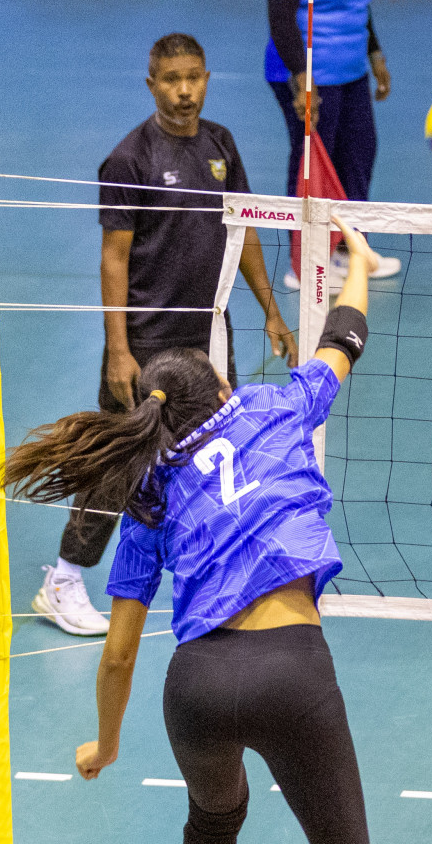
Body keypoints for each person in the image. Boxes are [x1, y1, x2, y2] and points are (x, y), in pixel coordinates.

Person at [4, 223, 398, 844]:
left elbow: (117, 656)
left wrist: (107, 743)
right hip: (292, 669)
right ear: (221, 389)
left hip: (197, 687)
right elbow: (343, 337)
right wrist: (354, 262)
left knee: (216, 808)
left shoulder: (149, 488)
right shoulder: (274, 407)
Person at [32, 33, 298, 637]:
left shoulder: (220, 144)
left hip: (207, 335)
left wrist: (271, 311)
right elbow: (113, 257)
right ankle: (65, 579)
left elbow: (244, 230)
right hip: (147, 340)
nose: (185, 91)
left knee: (218, 450)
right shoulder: (130, 159)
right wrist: (119, 350)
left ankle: (220, 570)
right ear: (151, 83)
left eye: (195, 78)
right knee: (119, 462)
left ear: (206, 78)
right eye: (172, 80)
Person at [267, 0, 401, 287]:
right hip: (306, 75)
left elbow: (357, 7)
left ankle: (350, 250)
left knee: (359, 155)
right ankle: (305, 263)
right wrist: (302, 76)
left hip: (351, 74)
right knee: (314, 163)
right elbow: (280, 19)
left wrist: (375, 54)